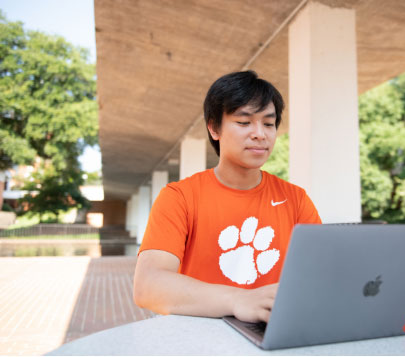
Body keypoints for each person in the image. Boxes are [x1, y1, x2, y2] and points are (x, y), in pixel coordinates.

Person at [133, 70, 321, 323]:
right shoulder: (179, 197)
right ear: (214, 128)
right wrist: (239, 299)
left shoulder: (296, 199)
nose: (260, 134)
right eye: (244, 122)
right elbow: (148, 286)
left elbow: (322, 275)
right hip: (201, 336)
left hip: (273, 333)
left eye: (268, 123)